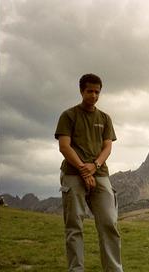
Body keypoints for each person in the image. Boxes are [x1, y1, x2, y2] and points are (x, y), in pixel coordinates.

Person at [55, 73, 123, 272]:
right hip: (72, 174)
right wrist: (84, 172)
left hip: (100, 174)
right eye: (89, 91)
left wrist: (95, 165)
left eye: (97, 92)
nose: (93, 95)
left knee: (109, 223)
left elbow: (107, 147)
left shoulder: (105, 118)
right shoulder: (68, 115)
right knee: (74, 225)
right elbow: (64, 147)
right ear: (81, 91)